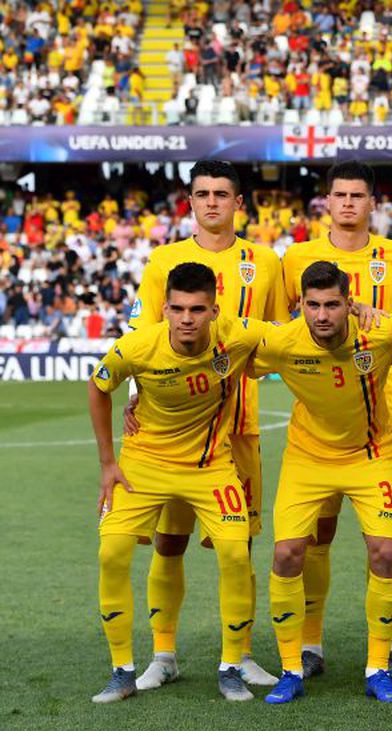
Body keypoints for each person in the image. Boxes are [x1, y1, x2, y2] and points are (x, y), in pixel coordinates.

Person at [126, 159, 287, 693]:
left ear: (239, 203)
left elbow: (279, 336)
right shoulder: (163, 261)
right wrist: (132, 395)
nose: (212, 202)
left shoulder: (264, 262)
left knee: (235, 545)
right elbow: (141, 335)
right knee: (168, 544)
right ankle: (163, 653)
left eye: (222, 193)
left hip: (238, 427)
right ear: (189, 201)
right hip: (171, 431)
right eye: (202, 193)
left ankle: (237, 655)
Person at [88, 263, 265, 703]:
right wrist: (108, 463)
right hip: (143, 463)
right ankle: (122, 670)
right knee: (111, 552)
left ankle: (230, 667)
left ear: (214, 310)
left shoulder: (238, 335)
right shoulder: (137, 347)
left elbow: (297, 333)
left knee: (234, 550)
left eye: (198, 309)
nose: (187, 318)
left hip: (209, 465)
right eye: (179, 308)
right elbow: (97, 387)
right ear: (164, 308)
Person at [254, 261, 392, 705]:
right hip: (307, 459)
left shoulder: (380, 331)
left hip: (371, 456)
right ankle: (292, 668)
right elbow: (220, 348)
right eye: (313, 305)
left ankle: (378, 667)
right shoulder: (282, 341)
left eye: (332, 304)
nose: (322, 315)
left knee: (385, 552)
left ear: (350, 304)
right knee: (287, 552)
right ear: (300, 306)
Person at [281, 161, 392, 681]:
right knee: (316, 535)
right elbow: (277, 327)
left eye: (358, 195)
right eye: (339, 195)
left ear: (373, 203)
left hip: (382, 419)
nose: (347, 204)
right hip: (317, 419)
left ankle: (383, 649)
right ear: (327, 201)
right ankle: (311, 645)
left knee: (379, 539)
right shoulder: (297, 256)